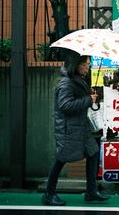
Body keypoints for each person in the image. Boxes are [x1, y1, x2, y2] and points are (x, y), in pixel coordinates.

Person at [42, 52, 110, 206]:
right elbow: (65, 106)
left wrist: (89, 96)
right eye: (86, 64)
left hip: (80, 127)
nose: (88, 67)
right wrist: (87, 100)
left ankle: (91, 191)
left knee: (93, 153)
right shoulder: (66, 83)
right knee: (60, 160)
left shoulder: (76, 80)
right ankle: (49, 193)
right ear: (77, 64)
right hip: (69, 129)